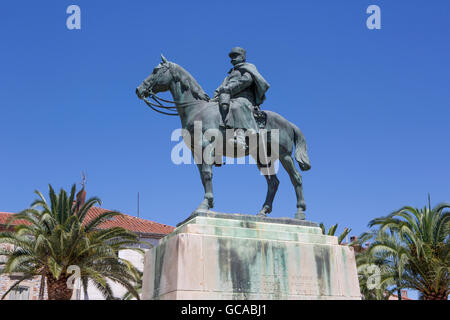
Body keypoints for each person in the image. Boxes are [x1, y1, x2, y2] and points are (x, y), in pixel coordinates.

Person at [213, 47, 270, 150]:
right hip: (228, 97)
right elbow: (221, 86)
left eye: (235, 56)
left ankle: (241, 139)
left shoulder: (248, 67)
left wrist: (229, 89)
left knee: (236, 107)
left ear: (243, 57)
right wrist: (216, 94)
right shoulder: (230, 73)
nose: (232, 59)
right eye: (231, 57)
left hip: (244, 98)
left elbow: (246, 80)